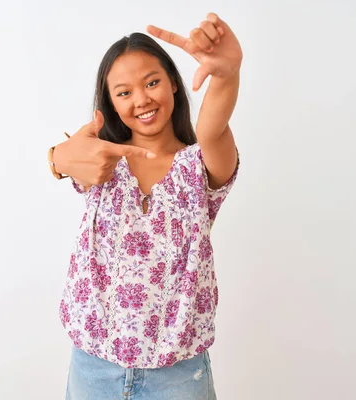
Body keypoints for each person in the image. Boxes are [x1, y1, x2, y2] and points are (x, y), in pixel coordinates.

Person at [47, 12, 243, 400]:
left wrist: (227, 73)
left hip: (177, 373)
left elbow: (212, 127)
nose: (142, 99)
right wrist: (57, 159)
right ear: (112, 104)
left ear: (173, 82)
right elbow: (64, 158)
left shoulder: (200, 164)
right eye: (124, 92)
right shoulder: (102, 160)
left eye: (152, 82)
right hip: (93, 364)